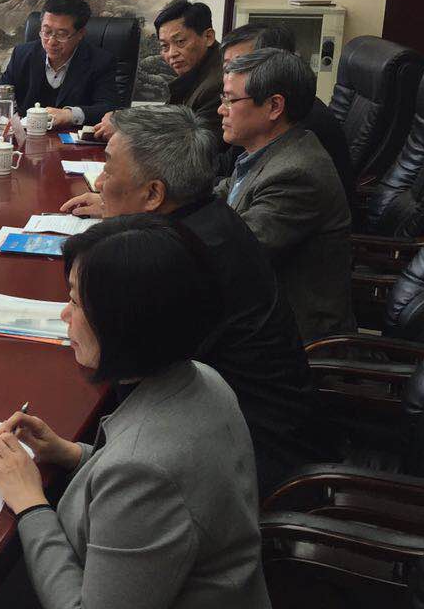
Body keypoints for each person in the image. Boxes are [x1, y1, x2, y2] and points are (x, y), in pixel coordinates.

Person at [0, 216, 355, 609]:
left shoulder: (145, 467)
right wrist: (74, 455)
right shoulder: (204, 380)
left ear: (125, 321)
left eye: (76, 302)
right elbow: (175, 495)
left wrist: (31, 505)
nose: (64, 315)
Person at [59, 105, 319, 493]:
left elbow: (116, 358)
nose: (99, 183)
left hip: (239, 457)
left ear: (153, 194)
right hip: (211, 425)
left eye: (108, 170)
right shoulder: (203, 218)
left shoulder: (181, 260)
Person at [218, 47, 355, 341]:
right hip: (254, 311)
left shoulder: (296, 174)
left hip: (288, 337)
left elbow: (235, 255)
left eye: (230, 99)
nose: (221, 109)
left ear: (274, 106)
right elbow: (222, 195)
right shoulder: (269, 149)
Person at [219, 22, 354, 203]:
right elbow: (230, 184)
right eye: (228, 67)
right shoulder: (257, 133)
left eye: (242, 64)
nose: (221, 109)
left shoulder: (295, 169)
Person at [0, 0, 120, 130]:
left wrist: (70, 114)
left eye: (61, 34)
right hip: (27, 140)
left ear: (80, 34)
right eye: (47, 32)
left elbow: (108, 108)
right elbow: (0, 90)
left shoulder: (100, 61)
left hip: (73, 143)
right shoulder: (23, 54)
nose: (51, 42)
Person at [93, 0, 221, 138]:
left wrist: (125, 128)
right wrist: (124, 118)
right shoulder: (195, 74)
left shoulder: (218, 85)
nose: (172, 54)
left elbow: (190, 141)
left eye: (180, 42)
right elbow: (169, 118)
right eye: (164, 46)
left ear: (208, 37)